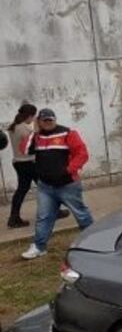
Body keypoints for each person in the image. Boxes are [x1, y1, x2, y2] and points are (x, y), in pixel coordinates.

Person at [20, 109, 94, 260]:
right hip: (45, 187)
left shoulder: (68, 133)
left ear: (55, 119)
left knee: (81, 214)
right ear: (39, 121)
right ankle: (39, 247)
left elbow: (82, 153)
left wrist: (68, 170)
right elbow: (25, 150)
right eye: (45, 120)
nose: (48, 123)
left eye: (51, 120)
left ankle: (94, 242)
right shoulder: (37, 136)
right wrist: (33, 132)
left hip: (68, 185)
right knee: (43, 217)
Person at [7, 104, 37, 228]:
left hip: (18, 162)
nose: (34, 118)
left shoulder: (13, 128)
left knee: (22, 190)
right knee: (47, 188)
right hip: (29, 162)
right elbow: (33, 146)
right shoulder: (26, 129)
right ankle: (53, 212)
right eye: (33, 115)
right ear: (29, 116)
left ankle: (14, 218)